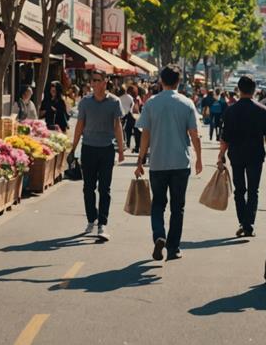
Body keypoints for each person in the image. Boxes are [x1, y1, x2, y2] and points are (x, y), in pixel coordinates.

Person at [135, 65, 203, 261]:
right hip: (181, 162)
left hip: (157, 162)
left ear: (161, 81)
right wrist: (199, 157)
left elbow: (145, 135)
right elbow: (194, 134)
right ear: (178, 81)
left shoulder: (151, 103)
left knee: (157, 203)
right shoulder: (187, 103)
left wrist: (140, 160)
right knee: (177, 207)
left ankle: (159, 235)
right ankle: (173, 248)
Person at [217, 76, 266, 238]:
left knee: (239, 190)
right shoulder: (262, 110)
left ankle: (243, 222)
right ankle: (249, 223)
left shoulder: (230, 110)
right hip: (255, 155)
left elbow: (225, 137)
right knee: (253, 190)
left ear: (239, 89)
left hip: (236, 155)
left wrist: (221, 155)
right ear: (254, 90)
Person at [70, 71, 124, 241]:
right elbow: (80, 125)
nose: (93, 83)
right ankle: (91, 219)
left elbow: (118, 127)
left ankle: (102, 224)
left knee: (104, 189)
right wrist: (73, 148)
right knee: (88, 187)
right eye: (91, 80)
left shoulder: (114, 102)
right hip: (88, 148)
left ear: (105, 82)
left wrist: (121, 150)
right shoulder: (85, 102)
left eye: (97, 80)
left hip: (107, 149)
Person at [119, 85, 137, 151]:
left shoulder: (119, 98)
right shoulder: (130, 97)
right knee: (129, 129)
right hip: (129, 114)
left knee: (123, 129)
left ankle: (125, 143)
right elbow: (132, 105)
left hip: (122, 115)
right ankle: (129, 143)